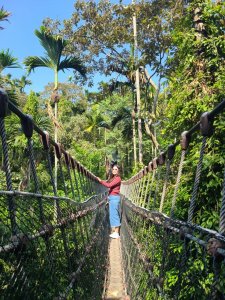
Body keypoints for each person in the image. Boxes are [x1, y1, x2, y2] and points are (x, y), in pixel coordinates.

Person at [97, 164, 121, 239]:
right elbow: (109, 185)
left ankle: (116, 233)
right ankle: (115, 232)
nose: (114, 170)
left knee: (114, 215)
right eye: (113, 169)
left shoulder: (118, 178)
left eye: (116, 169)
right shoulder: (114, 178)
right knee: (113, 214)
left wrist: (100, 181)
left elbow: (108, 185)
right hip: (112, 198)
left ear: (118, 171)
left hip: (114, 198)